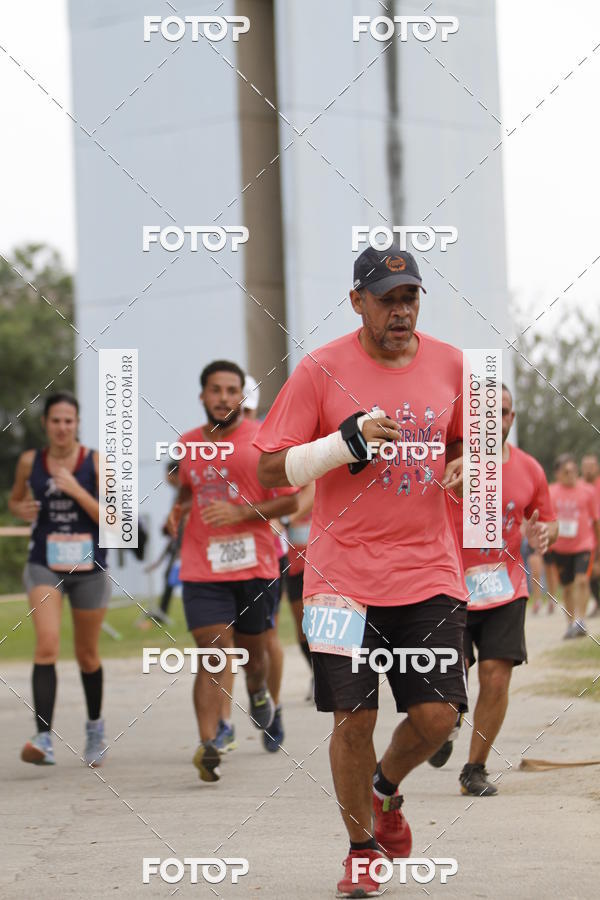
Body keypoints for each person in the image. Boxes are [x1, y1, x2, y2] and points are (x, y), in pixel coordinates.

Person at [255, 245, 469, 897]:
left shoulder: (453, 364)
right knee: (352, 718)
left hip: (428, 568)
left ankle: (385, 788)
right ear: (357, 302)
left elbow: (466, 439)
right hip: (337, 577)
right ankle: (361, 849)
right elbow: (269, 468)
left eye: (410, 298)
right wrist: (340, 444)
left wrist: (463, 465)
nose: (401, 310)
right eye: (387, 299)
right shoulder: (320, 370)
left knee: (438, 718)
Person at [167, 360, 298, 782]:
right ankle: (209, 744)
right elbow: (190, 488)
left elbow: (290, 502)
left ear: (242, 396)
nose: (224, 398)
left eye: (231, 390)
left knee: (253, 659)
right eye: (215, 390)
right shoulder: (188, 444)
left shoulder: (264, 440)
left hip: (254, 568)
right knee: (213, 652)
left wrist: (241, 511)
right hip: (202, 568)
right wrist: (179, 509)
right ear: (202, 396)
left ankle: (259, 694)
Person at [429, 385, 558, 794]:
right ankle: (446, 721)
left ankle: (474, 769)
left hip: (506, 587)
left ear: (511, 419)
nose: (493, 420)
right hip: (450, 586)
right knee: (450, 682)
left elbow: (546, 519)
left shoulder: (530, 469)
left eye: (501, 412)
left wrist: (544, 532)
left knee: (496, 676)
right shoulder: (451, 463)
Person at [8, 391, 111, 767]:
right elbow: (17, 501)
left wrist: (77, 490)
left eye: (69, 420)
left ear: (78, 423)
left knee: (87, 655)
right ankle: (43, 737)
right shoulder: (30, 461)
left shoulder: (97, 463)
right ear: (45, 424)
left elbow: (115, 522)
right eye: (56, 420)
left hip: (89, 567)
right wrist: (21, 507)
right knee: (47, 644)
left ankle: (95, 729)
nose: (63, 427)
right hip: (44, 563)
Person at [549, 454, 600, 638]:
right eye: (566, 471)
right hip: (560, 548)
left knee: (582, 580)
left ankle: (581, 620)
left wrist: (598, 547)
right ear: (558, 474)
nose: (571, 474)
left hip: (584, 544)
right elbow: (547, 519)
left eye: (573, 471)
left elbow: (596, 521)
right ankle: (570, 623)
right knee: (568, 587)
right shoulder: (551, 492)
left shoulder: (587, 491)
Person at [282, 482, 316, 700]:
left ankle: (327, 676)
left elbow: (312, 489)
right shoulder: (278, 479)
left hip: (323, 562)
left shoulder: (310, 474)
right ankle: (316, 673)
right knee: (302, 627)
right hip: (294, 564)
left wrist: (286, 519)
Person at [581, 454, 600, 615]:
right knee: (591, 574)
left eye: (591, 466)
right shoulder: (578, 486)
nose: (588, 470)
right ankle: (597, 603)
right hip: (587, 538)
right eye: (585, 466)